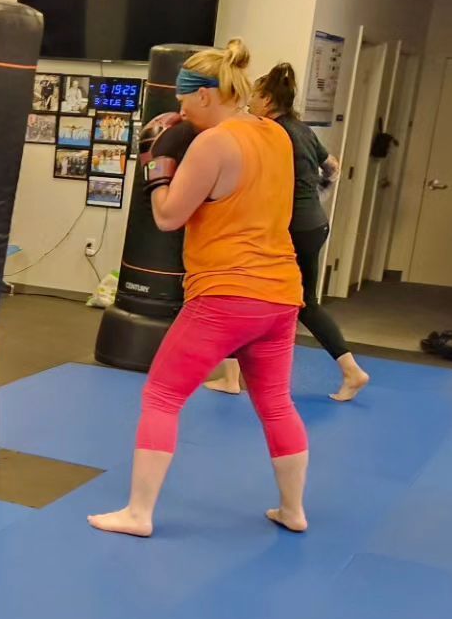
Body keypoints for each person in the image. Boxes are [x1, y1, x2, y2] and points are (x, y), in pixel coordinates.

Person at [88, 40, 309, 538]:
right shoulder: (276, 135)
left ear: (207, 95)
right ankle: (293, 510)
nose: (180, 111)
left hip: (227, 292)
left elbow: (167, 217)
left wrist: (154, 163)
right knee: (275, 402)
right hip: (280, 293)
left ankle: (138, 513)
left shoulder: (213, 143)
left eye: (184, 100)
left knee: (162, 395)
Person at [252, 63, 369, 402]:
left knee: (298, 302)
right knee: (291, 300)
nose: (249, 105)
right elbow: (332, 165)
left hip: (295, 228)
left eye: (254, 98)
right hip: (314, 222)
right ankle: (241, 373)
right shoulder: (301, 129)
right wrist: (317, 193)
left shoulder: (271, 131)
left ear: (269, 100)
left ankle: (351, 371)